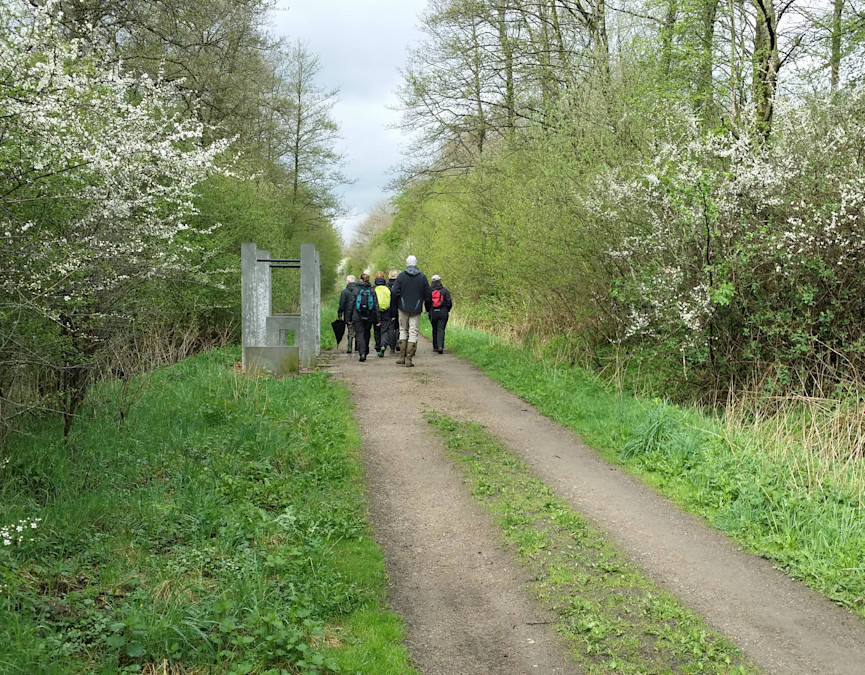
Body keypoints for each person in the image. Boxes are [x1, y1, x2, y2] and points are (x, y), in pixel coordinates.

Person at [391, 255, 429, 367]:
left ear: (406, 264)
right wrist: (427, 307)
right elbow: (428, 294)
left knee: (403, 330)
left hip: (402, 308)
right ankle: (409, 358)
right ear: (416, 264)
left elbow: (394, 292)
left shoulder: (401, 276)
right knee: (413, 331)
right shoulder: (422, 277)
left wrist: (395, 305)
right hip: (416, 308)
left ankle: (402, 357)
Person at [350, 273, 380, 362]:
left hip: (357, 315)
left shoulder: (356, 289)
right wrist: (378, 319)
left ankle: (362, 353)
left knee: (359, 333)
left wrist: (349, 318)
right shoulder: (372, 290)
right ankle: (365, 350)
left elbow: (351, 304)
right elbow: (376, 305)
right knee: (367, 332)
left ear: (360, 279)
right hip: (369, 315)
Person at [425, 273, 453, 354]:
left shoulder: (429, 291)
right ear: (439, 281)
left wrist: (428, 310)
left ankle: (435, 346)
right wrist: (447, 310)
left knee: (434, 328)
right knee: (441, 328)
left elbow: (427, 302)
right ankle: (440, 345)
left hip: (433, 312)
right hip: (443, 312)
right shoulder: (444, 290)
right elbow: (449, 302)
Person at [373, 271, 392, 357]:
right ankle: (383, 345)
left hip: (375, 312)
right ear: (384, 278)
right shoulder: (388, 288)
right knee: (385, 330)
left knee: (376, 330)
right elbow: (392, 301)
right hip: (386, 312)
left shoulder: (373, 289)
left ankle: (378, 347)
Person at [337, 275, 358, 353]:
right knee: (358, 331)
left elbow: (342, 304)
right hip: (358, 314)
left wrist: (340, 314)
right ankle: (357, 347)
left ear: (348, 282)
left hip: (348, 314)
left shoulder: (345, 291)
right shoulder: (359, 290)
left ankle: (349, 347)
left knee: (350, 330)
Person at [387, 270, 400, 353]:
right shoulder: (400, 285)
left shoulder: (386, 286)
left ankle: (392, 347)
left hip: (389, 309)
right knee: (399, 327)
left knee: (391, 328)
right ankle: (398, 342)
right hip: (399, 308)